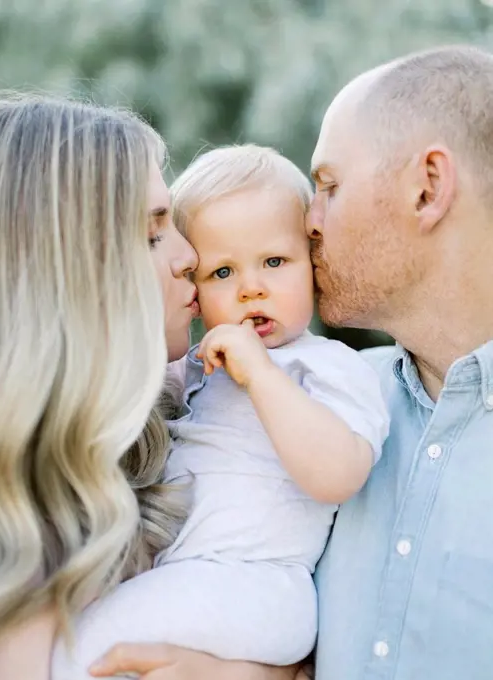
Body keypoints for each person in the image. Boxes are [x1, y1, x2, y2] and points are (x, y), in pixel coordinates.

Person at [92, 44, 493, 680]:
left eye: (329, 186)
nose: (308, 221)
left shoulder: (327, 390)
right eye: (221, 269)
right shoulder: (357, 392)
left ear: (428, 188)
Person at [51, 144, 389, 680]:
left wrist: (261, 376)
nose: (252, 287)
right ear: (194, 287)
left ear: (312, 263)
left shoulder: (328, 367)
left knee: (77, 652)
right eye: (223, 271)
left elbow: (339, 474)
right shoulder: (194, 368)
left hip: (257, 584)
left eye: (275, 262)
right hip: (190, 578)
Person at [0, 93, 197, 679]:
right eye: (153, 235)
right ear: (71, 276)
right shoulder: (19, 543)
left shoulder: (186, 424)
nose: (190, 258)